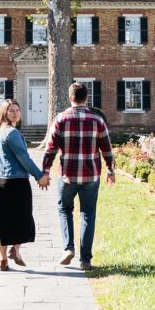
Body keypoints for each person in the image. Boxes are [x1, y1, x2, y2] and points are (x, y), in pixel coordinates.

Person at [42, 82, 116, 271]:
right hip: (91, 175)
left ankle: (68, 247)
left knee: (65, 210)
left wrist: (46, 171)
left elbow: (50, 149)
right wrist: (110, 170)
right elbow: (107, 148)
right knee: (88, 213)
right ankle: (85, 259)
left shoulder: (60, 119)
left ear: (69, 98)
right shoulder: (97, 120)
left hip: (67, 174)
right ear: (87, 98)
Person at [0, 99, 50, 271]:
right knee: (22, 220)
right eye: (11, 111)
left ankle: (3, 261)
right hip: (15, 183)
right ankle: (15, 251)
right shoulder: (12, 133)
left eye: (17, 110)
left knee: (1, 222)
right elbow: (24, 158)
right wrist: (40, 176)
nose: (15, 113)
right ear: (4, 113)